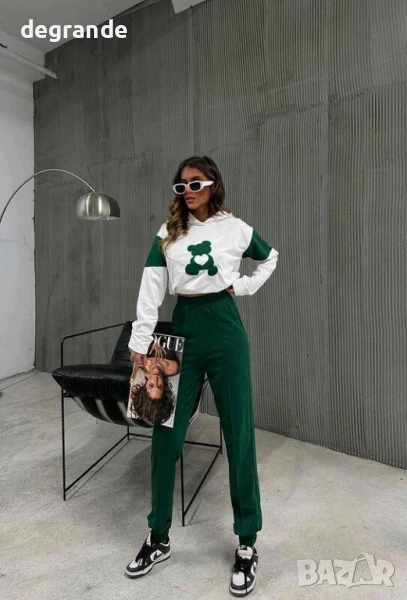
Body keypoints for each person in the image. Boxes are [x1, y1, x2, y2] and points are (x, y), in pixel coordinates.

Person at [125, 155, 279, 596]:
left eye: (195, 183)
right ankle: (158, 536)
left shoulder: (235, 227)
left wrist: (242, 286)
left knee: (239, 434)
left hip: (226, 330)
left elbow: (269, 257)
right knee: (163, 433)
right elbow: (151, 285)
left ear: (213, 184)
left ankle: (247, 542)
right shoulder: (169, 232)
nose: (188, 191)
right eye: (181, 185)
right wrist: (141, 339)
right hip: (183, 330)